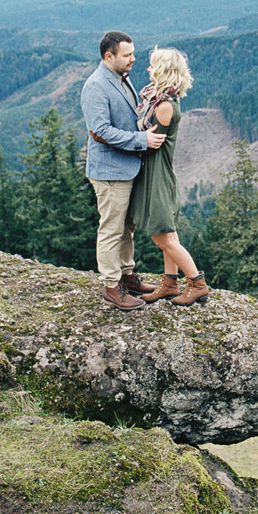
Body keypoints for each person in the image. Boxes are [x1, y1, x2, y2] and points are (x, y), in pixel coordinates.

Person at [80, 30, 166, 310]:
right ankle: (110, 286)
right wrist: (142, 140)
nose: (133, 60)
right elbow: (100, 131)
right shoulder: (96, 86)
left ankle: (127, 276)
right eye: (127, 55)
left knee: (126, 227)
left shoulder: (120, 79)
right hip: (109, 172)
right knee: (111, 229)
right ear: (109, 56)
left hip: (125, 168)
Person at [130, 47, 210, 306]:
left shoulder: (163, 105)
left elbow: (151, 140)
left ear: (163, 70)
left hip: (158, 175)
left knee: (162, 236)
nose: (148, 70)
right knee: (170, 235)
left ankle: (197, 283)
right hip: (158, 172)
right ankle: (170, 284)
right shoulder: (164, 99)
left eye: (152, 66)